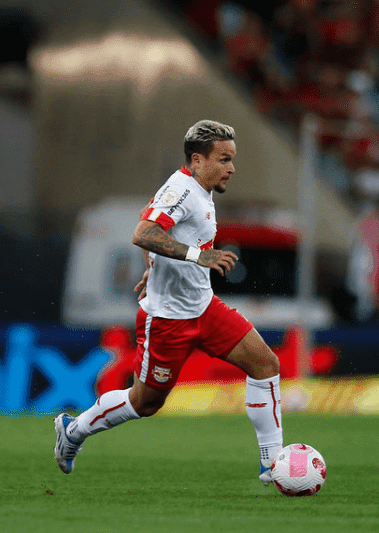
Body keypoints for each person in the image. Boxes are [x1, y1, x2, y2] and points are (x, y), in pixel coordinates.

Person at [53, 120, 284, 488]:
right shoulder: (183, 190)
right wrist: (198, 257)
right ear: (197, 160)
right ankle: (74, 430)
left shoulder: (197, 190)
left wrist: (154, 267)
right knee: (145, 403)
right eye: (224, 159)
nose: (232, 168)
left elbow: (158, 230)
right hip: (168, 320)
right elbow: (143, 232)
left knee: (265, 364)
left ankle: (273, 465)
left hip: (204, 309)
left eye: (232, 159)